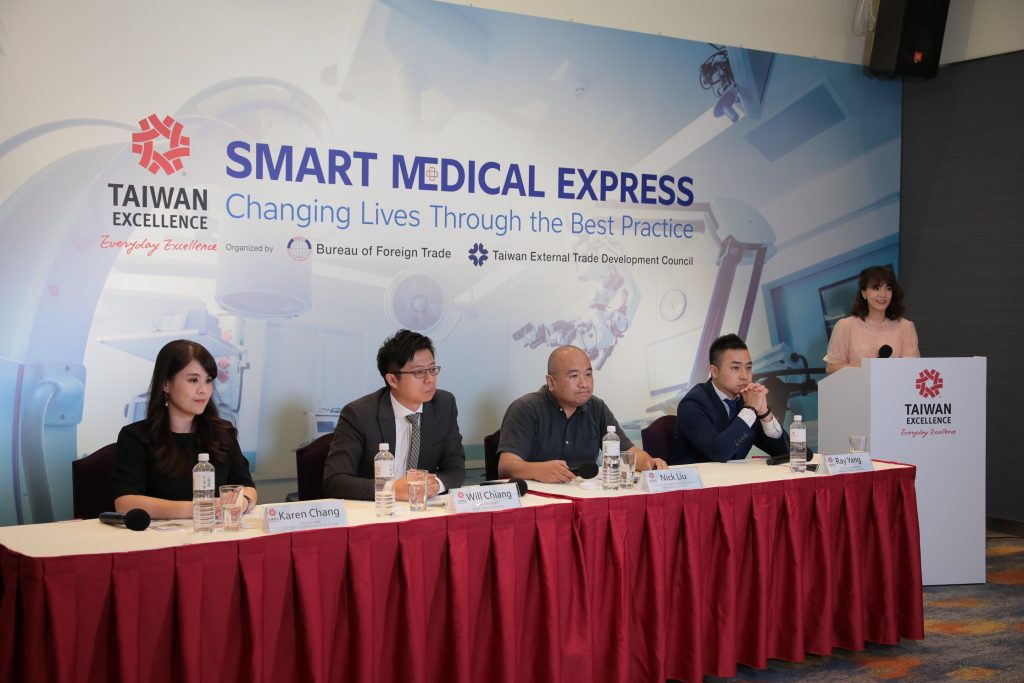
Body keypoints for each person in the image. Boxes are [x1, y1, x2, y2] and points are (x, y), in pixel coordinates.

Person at [111, 339, 257, 518]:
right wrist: (200, 508)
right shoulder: (135, 437)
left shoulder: (223, 433)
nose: (203, 390)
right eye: (193, 380)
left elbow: (247, 487)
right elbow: (125, 503)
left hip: (216, 530)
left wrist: (242, 502)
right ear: (166, 384)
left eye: (208, 380)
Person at [323, 329, 465, 500]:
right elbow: (335, 482)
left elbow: (455, 469)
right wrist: (390, 489)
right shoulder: (359, 414)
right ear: (392, 380)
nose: (430, 379)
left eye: (433, 369)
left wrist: (436, 485)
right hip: (376, 509)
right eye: (419, 372)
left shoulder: (444, 405)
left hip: (421, 508)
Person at [497, 345, 666, 483]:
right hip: (538, 498)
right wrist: (538, 470)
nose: (584, 383)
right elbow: (505, 466)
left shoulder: (597, 407)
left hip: (585, 494)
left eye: (588, 374)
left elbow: (628, 452)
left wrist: (649, 463)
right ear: (551, 382)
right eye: (574, 376)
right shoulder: (525, 408)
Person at [671, 333, 789, 465]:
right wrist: (750, 409)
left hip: (732, 476)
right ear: (714, 372)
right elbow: (718, 453)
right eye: (735, 368)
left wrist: (764, 413)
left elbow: (786, 452)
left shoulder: (745, 400)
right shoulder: (692, 404)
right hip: (697, 477)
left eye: (748, 368)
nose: (744, 376)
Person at [825, 265, 919, 374]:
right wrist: (868, 367)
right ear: (864, 292)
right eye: (876, 288)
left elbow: (912, 369)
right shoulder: (846, 326)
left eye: (888, 288)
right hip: (855, 385)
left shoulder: (905, 327)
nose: (883, 295)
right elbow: (831, 368)